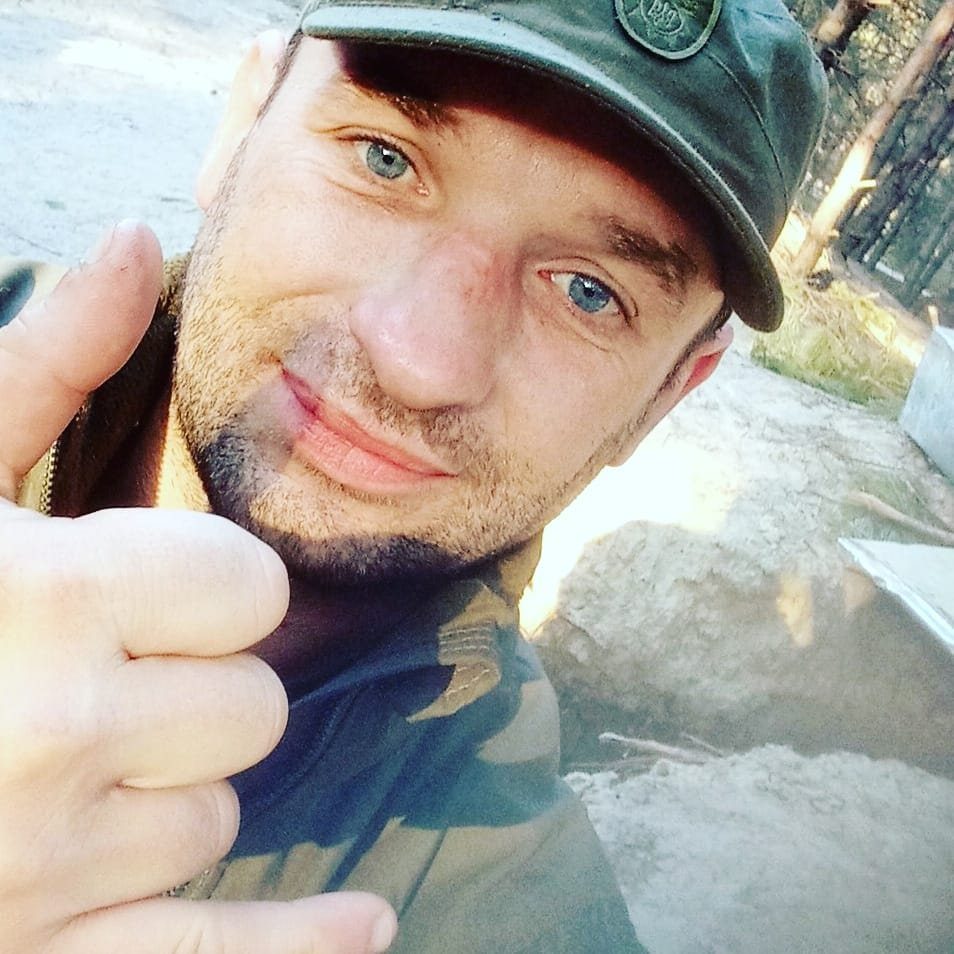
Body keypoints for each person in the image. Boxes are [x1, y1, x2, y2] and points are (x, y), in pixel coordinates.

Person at [0, 1, 826, 951]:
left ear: (668, 394)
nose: (419, 360)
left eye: (590, 292)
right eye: (384, 159)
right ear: (242, 125)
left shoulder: (515, 904)